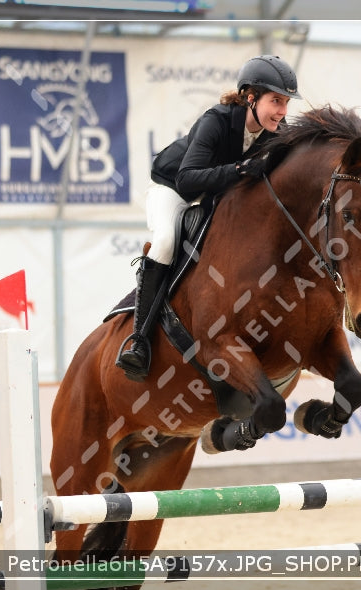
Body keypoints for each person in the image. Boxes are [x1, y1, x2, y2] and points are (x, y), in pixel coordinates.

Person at [116, 55, 302, 381]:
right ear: (250, 97)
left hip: (218, 197)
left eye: (285, 103)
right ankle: (139, 340)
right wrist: (239, 170)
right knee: (165, 241)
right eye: (276, 101)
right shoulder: (216, 120)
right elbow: (188, 179)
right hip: (173, 189)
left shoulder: (276, 133)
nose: (282, 112)